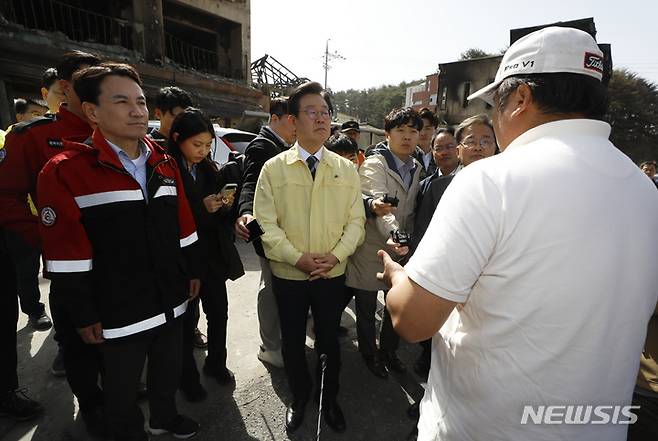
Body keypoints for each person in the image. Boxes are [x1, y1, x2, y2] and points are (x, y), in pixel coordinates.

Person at [380, 27, 658, 441]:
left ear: (522, 97)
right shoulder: (645, 191)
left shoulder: (491, 180)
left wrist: (395, 275)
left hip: (484, 428)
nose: (494, 119)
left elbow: (412, 320)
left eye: (496, 104)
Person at [39, 63, 201, 441]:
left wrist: (192, 271)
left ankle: (165, 417)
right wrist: (83, 311)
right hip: (116, 312)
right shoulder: (66, 170)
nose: (138, 110)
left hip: (170, 300)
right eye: (122, 101)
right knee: (121, 390)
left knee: (167, 369)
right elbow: (67, 254)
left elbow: (184, 225)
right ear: (93, 111)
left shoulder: (163, 161)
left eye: (142, 102)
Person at [253, 81, 365, 433]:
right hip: (290, 275)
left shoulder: (346, 169)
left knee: (329, 340)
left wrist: (335, 256)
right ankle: (299, 398)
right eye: (311, 112)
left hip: (332, 275)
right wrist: (296, 258)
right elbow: (265, 225)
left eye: (325, 112)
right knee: (291, 340)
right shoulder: (273, 168)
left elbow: (356, 222)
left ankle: (327, 399)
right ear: (293, 120)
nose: (321, 119)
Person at [0, 50, 101, 426]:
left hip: (119, 261)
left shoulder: (115, 132)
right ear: (64, 86)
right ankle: (90, 406)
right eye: (88, 79)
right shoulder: (34, 136)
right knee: (78, 344)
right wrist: (45, 235)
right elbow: (5, 196)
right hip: (71, 267)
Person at [168, 108, 244, 402]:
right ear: (177, 139)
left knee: (219, 314)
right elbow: (167, 221)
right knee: (186, 323)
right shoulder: (165, 169)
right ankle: (187, 378)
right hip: (183, 261)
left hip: (211, 257)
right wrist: (202, 208)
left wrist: (225, 205)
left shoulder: (208, 169)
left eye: (206, 145)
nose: (202, 151)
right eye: (196, 145)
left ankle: (216, 364)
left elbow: (218, 216)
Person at [346, 107, 422, 379]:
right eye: (400, 130)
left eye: (413, 131)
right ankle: (370, 355)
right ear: (387, 134)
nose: (407, 137)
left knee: (395, 307)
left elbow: (411, 212)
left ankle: (389, 352)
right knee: (366, 310)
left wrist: (407, 242)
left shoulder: (417, 166)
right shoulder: (375, 165)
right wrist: (397, 236)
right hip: (370, 251)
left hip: (399, 252)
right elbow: (380, 207)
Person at [235, 96, 296, 369]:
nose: (296, 126)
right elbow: (249, 183)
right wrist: (246, 212)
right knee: (270, 287)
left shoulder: (286, 145)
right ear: (274, 118)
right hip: (266, 230)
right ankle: (270, 346)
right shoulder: (262, 146)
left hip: (286, 230)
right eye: (290, 120)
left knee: (282, 287)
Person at [413, 108, 438, 180]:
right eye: (420, 129)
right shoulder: (407, 154)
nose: (423, 133)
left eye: (428, 128)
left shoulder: (440, 155)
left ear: (435, 130)